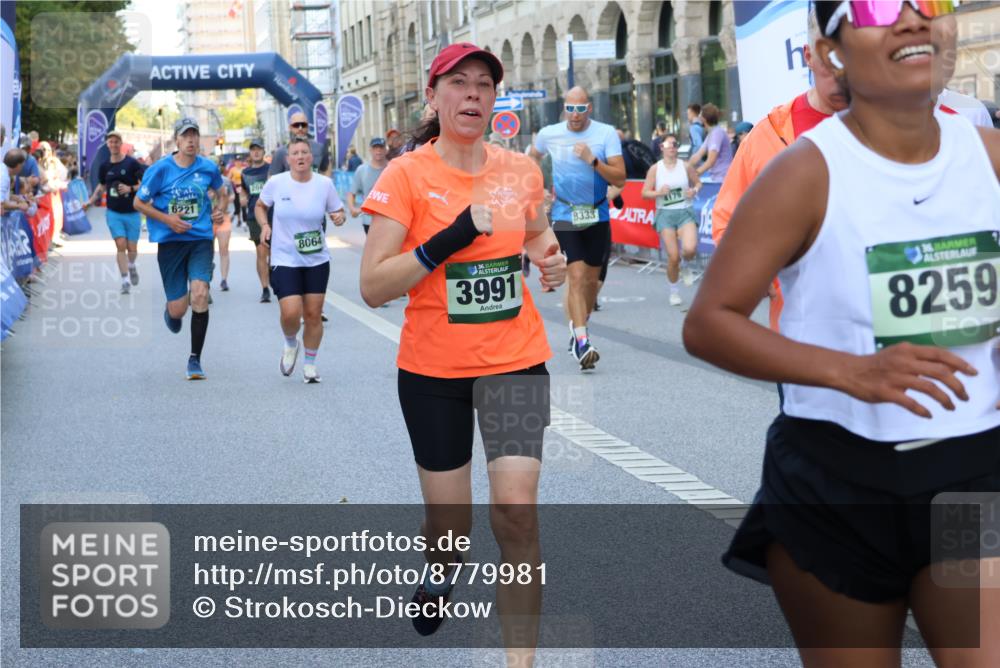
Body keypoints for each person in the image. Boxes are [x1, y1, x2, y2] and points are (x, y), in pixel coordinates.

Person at [684, 1, 1000, 665]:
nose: (912, 18)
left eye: (929, 3)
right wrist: (850, 372)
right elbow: (709, 323)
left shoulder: (991, 159)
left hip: (970, 470)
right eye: (878, 5)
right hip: (837, 483)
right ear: (831, 52)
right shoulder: (804, 171)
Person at [359, 42, 566, 665]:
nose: (474, 93)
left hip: (516, 361)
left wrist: (550, 260)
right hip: (434, 372)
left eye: (484, 84)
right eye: (459, 82)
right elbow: (373, 287)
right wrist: (450, 238)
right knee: (452, 529)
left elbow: (537, 233)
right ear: (434, 96)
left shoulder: (520, 170)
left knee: (517, 514)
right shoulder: (405, 176)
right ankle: (440, 568)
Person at [711, 5, 850, 333]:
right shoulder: (769, 134)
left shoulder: (893, 125)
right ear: (808, 56)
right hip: (799, 333)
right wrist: (756, 273)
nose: (840, 69)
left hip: (884, 333)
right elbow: (727, 220)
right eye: (828, 56)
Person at [529, 86, 625, 370]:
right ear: (564, 108)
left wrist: (593, 161)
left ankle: (579, 327)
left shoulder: (606, 134)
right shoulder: (549, 133)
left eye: (580, 109)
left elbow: (620, 177)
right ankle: (582, 341)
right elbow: (533, 157)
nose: (574, 114)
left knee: (592, 282)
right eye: (570, 108)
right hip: (565, 212)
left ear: (589, 109)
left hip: (597, 213)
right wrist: (538, 187)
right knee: (577, 275)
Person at [134, 117, 226, 380]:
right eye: (185, 135)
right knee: (179, 309)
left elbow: (222, 193)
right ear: (177, 140)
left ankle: (195, 359)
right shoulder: (160, 169)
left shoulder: (208, 167)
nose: (191, 140)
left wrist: (220, 210)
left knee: (200, 293)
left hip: (200, 240)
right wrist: (168, 220)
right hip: (171, 243)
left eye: (194, 135)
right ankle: (172, 311)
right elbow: (138, 203)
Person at [255, 137, 345, 383]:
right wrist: (264, 226)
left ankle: (310, 365)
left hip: (316, 259)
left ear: (311, 157)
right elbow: (260, 206)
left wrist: (339, 217)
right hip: (285, 257)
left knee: (313, 314)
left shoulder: (324, 184)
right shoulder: (277, 183)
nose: (301, 156)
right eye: (295, 153)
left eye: (305, 152)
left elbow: (337, 210)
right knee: (290, 313)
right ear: (288, 159)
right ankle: (290, 342)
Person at [641, 133, 701, 306]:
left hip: (684, 212)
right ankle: (674, 292)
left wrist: (694, 191)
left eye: (675, 144)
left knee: (690, 249)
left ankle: (686, 265)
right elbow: (644, 193)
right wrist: (659, 193)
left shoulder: (685, 166)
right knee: (673, 257)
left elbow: (698, 183)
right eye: (669, 145)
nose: (673, 148)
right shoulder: (655, 169)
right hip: (665, 214)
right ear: (662, 147)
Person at [84, 130, 145, 294]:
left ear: (121, 143)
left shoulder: (132, 164)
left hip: (132, 212)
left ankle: (131, 265)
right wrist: (90, 201)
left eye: (116, 141)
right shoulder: (104, 166)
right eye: (111, 142)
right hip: (114, 213)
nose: (113, 144)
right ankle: (125, 280)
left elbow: (144, 184)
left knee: (132, 248)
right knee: (120, 245)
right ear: (107, 144)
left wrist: (130, 188)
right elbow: (102, 186)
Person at [240, 138, 273, 302]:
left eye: (259, 149)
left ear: (263, 151)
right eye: (253, 149)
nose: (256, 152)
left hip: (273, 215)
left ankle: (273, 273)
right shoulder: (245, 173)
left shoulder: (271, 170)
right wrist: (242, 199)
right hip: (254, 217)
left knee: (274, 253)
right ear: (250, 153)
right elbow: (243, 192)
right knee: (261, 252)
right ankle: (265, 288)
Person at [268, 112, 332, 177]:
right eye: (296, 125)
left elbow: (326, 168)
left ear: (307, 127)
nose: (300, 128)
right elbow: (272, 178)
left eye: (303, 125)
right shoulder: (280, 152)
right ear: (290, 128)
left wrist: (325, 181)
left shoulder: (319, 148)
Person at [348, 137, 389, 237]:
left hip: (389, 220)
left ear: (385, 150)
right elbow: (352, 193)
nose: (378, 150)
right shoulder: (362, 170)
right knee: (375, 247)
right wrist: (352, 208)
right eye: (375, 148)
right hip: (369, 221)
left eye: (381, 147)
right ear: (370, 150)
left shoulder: (393, 168)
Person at [688, 103, 733, 183]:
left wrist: (694, 174)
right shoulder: (712, 133)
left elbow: (710, 161)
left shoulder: (717, 133)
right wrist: (686, 167)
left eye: (700, 116)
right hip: (716, 177)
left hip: (722, 178)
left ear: (703, 119)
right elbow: (698, 155)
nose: (698, 118)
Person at [215, 165, 234, 292]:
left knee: (224, 249)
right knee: (207, 251)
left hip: (223, 218)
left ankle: (224, 280)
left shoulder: (226, 181)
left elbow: (232, 196)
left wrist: (225, 198)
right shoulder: (202, 178)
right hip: (207, 219)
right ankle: (206, 277)